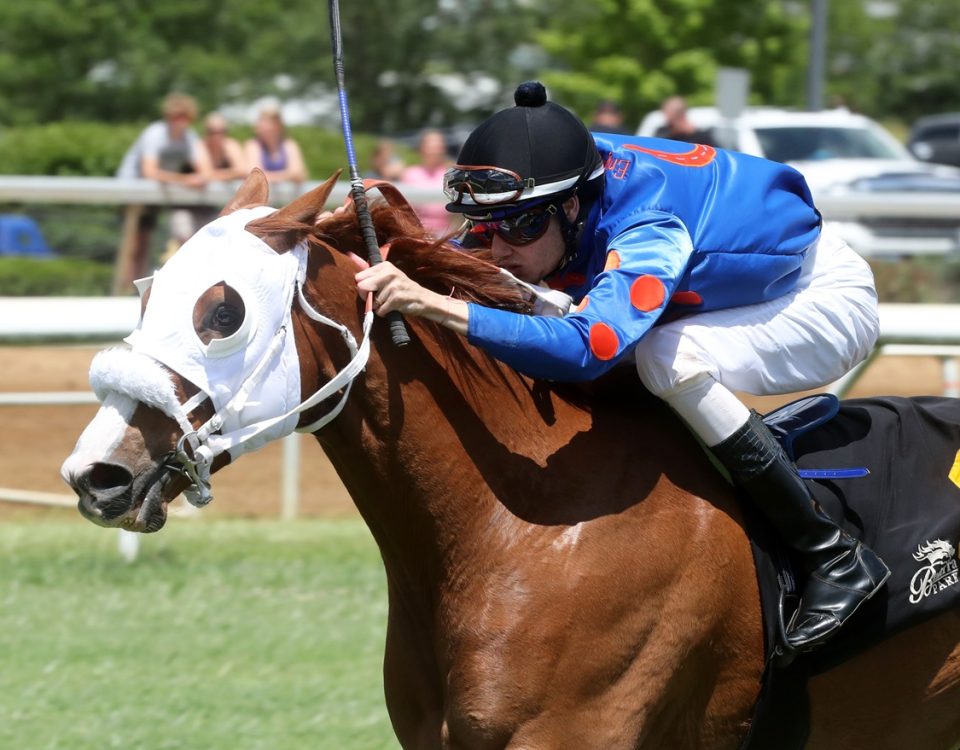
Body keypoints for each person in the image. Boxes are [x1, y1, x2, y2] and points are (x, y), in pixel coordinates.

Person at [355, 81, 890, 654]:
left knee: (666, 356)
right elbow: (468, 255)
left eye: (522, 227)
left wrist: (436, 304)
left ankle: (832, 554)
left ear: (569, 206)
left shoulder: (648, 228)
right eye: (490, 227)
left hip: (814, 298)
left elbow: (587, 350)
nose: (500, 247)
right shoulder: (563, 181)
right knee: (541, 300)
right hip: (731, 291)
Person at [115, 92, 214, 284]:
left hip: (158, 192)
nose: (181, 122)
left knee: (146, 240)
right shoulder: (155, 133)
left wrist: (200, 177)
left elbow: (205, 169)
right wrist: (186, 180)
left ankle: (139, 285)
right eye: (177, 117)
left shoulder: (189, 137)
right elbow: (149, 171)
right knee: (132, 242)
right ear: (169, 117)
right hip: (134, 189)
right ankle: (124, 286)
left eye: (185, 117)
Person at [399, 129, 454, 237]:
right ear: (422, 148)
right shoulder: (410, 174)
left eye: (437, 147)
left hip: (446, 233)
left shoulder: (450, 174)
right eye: (430, 147)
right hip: (417, 233)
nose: (434, 151)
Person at [244, 105, 308, 184]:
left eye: (272, 123)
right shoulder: (253, 145)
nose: (268, 127)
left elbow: (299, 174)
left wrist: (269, 177)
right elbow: (254, 175)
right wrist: (287, 175)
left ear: (279, 126)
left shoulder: (289, 144)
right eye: (264, 122)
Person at [202, 112, 248, 181]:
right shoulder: (201, 146)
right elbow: (204, 176)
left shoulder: (231, 145)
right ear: (206, 132)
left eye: (221, 131)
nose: (217, 136)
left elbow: (243, 171)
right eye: (212, 132)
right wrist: (233, 172)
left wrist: (214, 175)